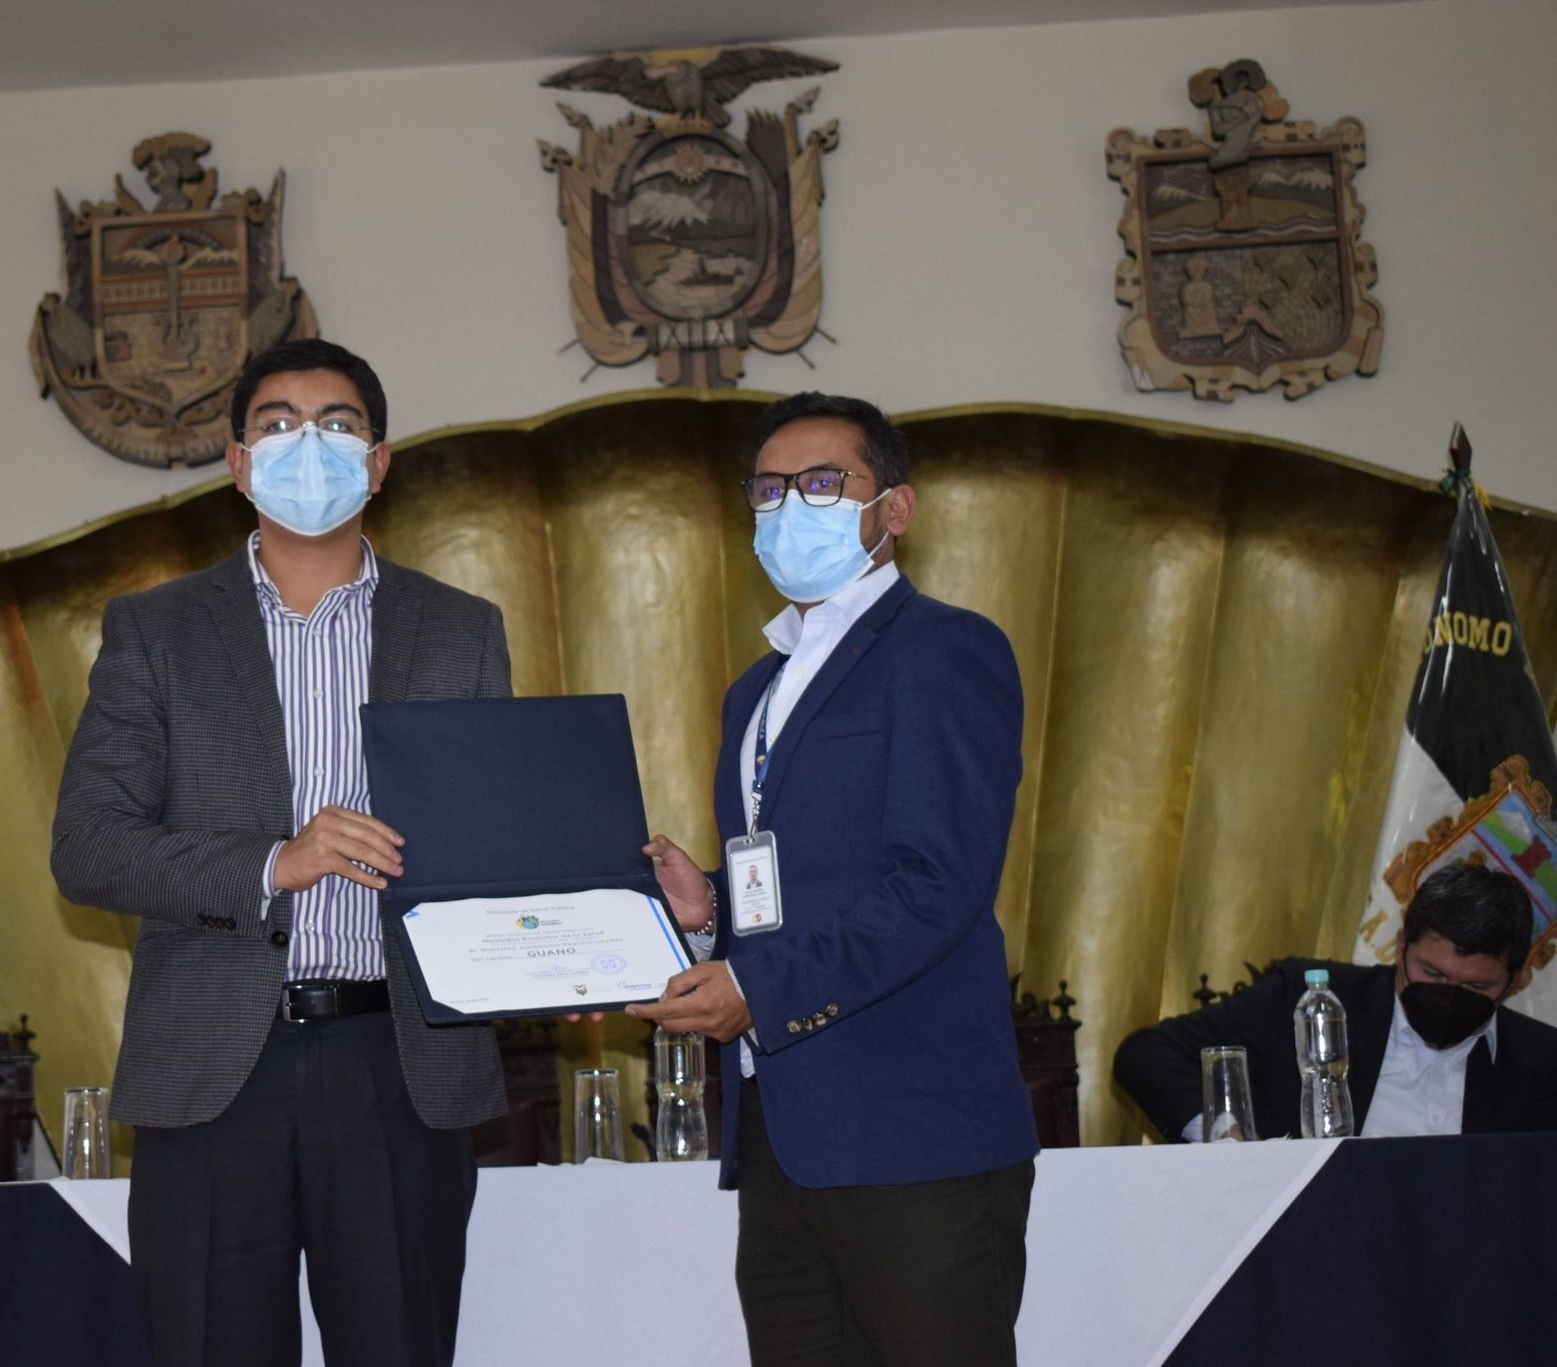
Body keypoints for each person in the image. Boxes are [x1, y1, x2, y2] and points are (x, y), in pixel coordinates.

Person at [50, 338, 511, 1367]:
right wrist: (273, 864)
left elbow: (492, 843)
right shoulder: (156, 631)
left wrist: (563, 930)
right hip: (215, 1065)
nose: (309, 444)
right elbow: (88, 846)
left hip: (400, 1061)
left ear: (379, 462)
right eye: (277, 424)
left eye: (337, 424)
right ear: (237, 462)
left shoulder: (460, 629)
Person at [630, 391, 1039, 1367]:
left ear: (894, 508)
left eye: (821, 482)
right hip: (783, 1138)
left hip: (914, 1134)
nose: (789, 507)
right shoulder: (753, 691)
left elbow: (936, 882)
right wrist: (709, 914)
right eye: (769, 489)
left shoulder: (944, 649)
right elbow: (799, 884)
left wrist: (756, 987)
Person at [1115, 861, 1557, 1140]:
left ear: (1515, 982)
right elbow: (1149, 1054)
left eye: (1476, 988)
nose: (1449, 997)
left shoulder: (1541, 1062)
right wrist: (1225, 1136)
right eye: (1433, 974)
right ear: (1401, 946)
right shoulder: (1308, 999)